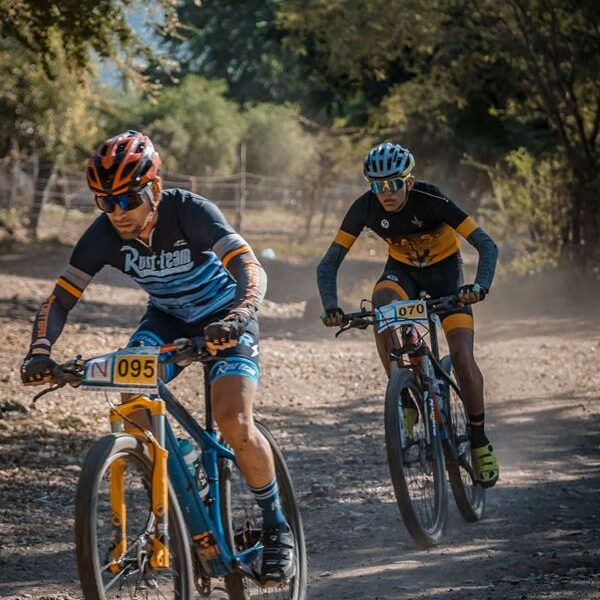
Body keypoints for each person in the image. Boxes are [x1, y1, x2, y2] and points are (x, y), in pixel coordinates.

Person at [20, 130, 294, 583]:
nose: (118, 213)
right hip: (167, 320)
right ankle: (185, 464)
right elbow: (61, 298)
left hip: (225, 318)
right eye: (105, 202)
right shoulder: (103, 234)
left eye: (128, 199)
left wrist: (240, 315)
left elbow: (250, 267)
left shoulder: (190, 211)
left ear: (155, 189)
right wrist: (40, 351)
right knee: (130, 388)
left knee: (234, 421)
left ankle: (276, 523)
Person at [317, 142, 499, 488]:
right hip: (402, 276)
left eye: (393, 184)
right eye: (377, 185)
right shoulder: (365, 208)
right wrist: (331, 307)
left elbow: (486, 244)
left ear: (409, 181)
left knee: (461, 356)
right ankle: (404, 395)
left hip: (447, 278)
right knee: (381, 303)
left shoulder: (432, 200)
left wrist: (480, 285)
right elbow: (328, 263)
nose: (385, 193)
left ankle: (478, 440)